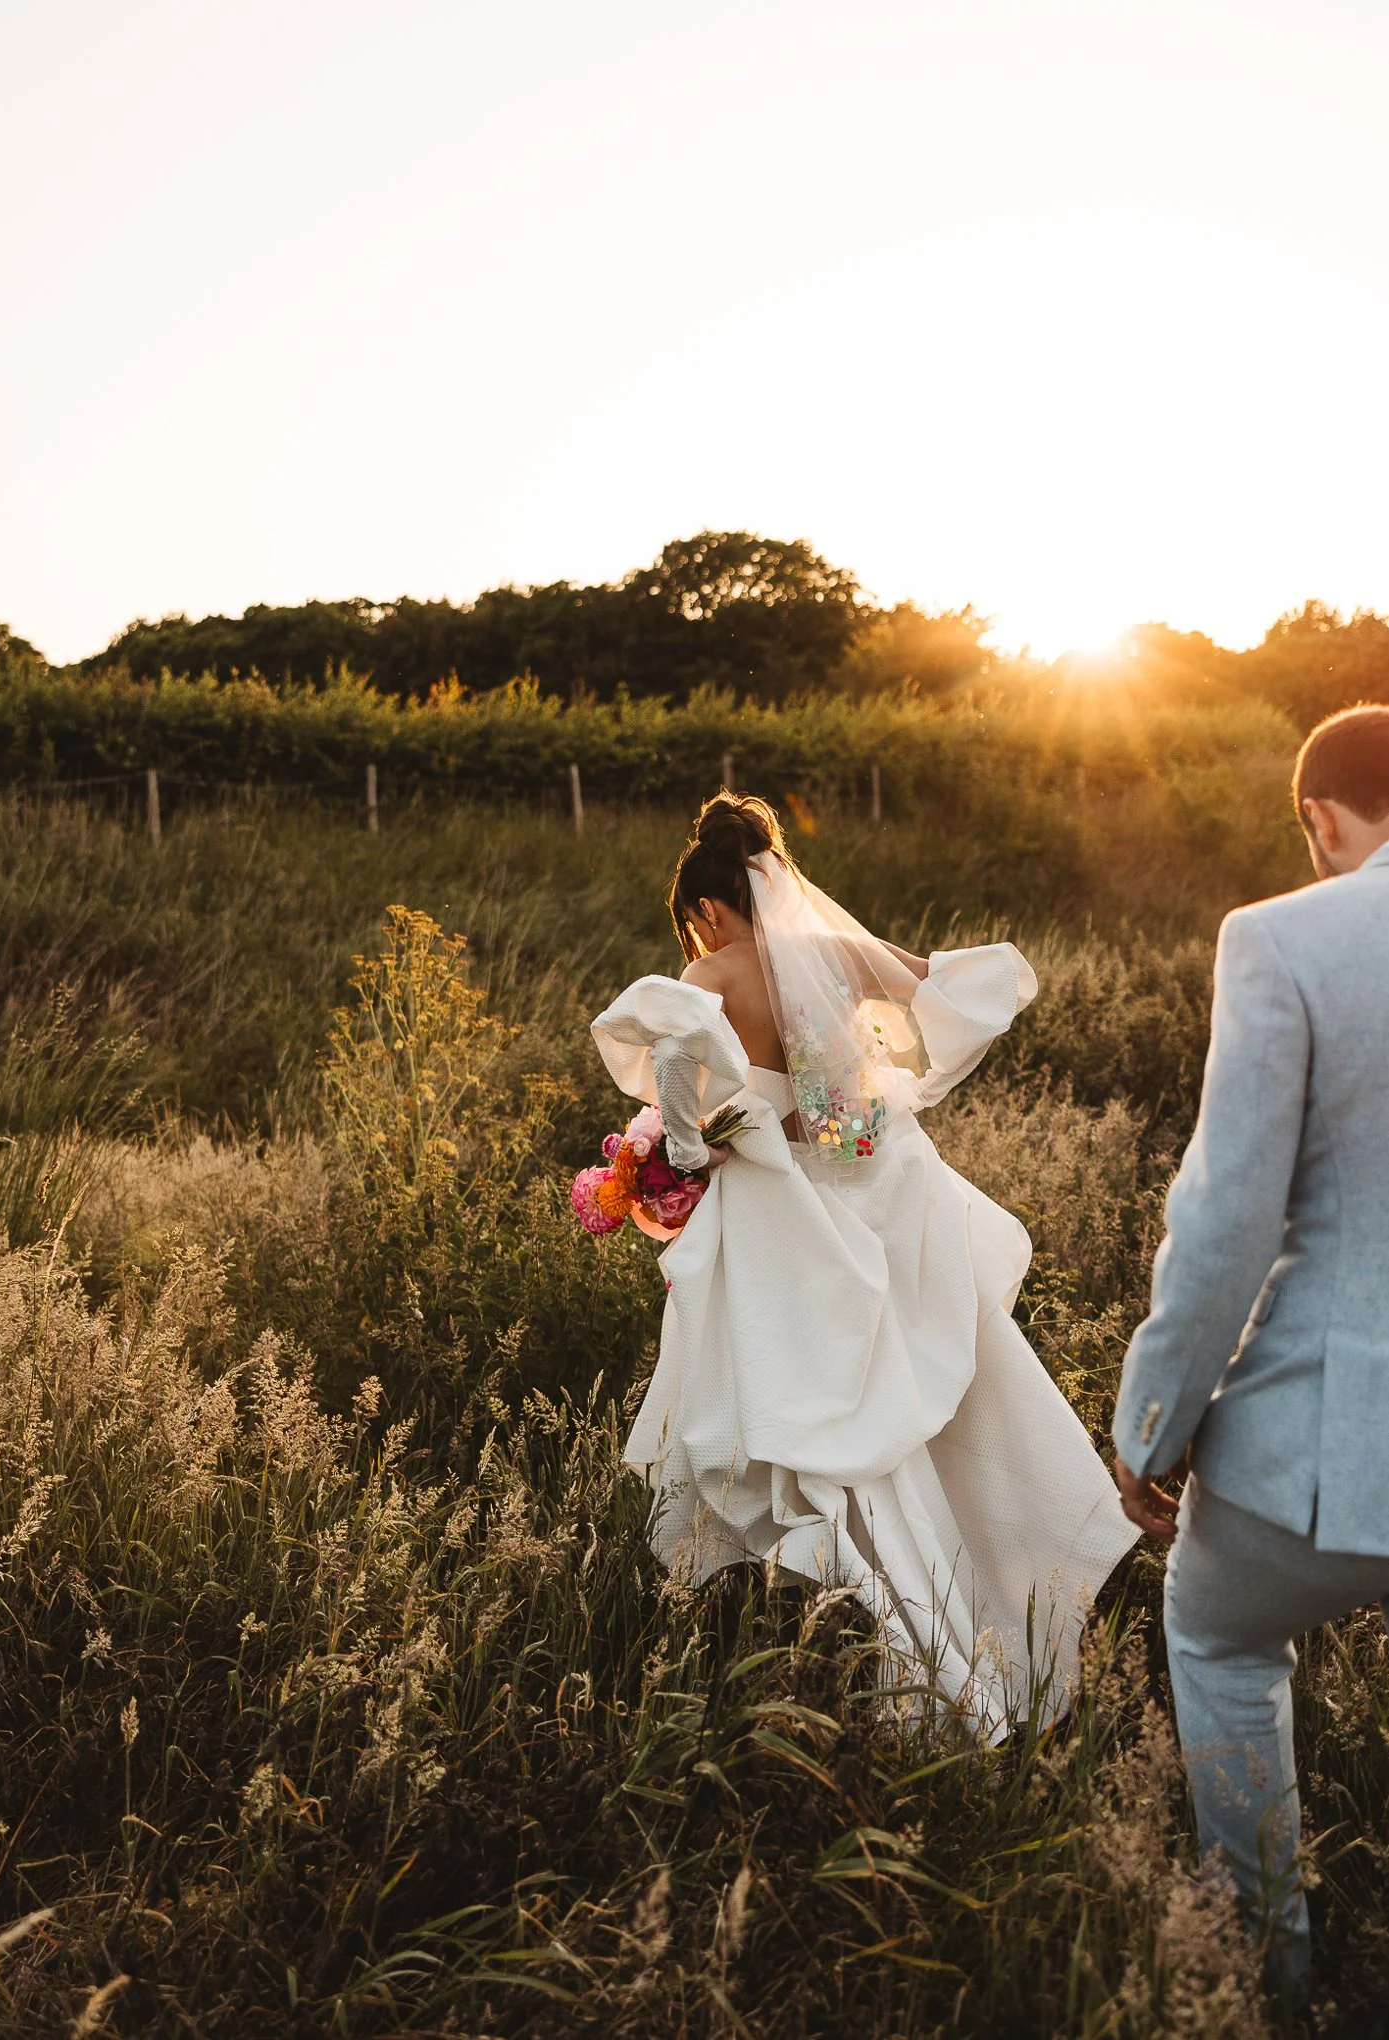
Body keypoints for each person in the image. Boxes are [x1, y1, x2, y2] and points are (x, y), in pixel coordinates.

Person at [591, 793, 1136, 1740]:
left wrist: (672, 1158)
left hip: (776, 1222)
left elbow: (682, 1116)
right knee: (907, 1421)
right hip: (871, 1197)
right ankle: (987, 1594)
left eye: (694, 921)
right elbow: (938, 1002)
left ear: (710, 908)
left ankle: (835, 1620)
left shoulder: (705, 974)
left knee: (792, 1415)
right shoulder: (833, 955)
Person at [1113, 703, 1389, 1984]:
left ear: (1319, 820)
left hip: (1331, 1451)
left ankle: (1268, 1971)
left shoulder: (1282, 938)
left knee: (1219, 1636)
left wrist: (1149, 1431)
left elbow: (1225, 1221)